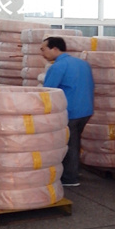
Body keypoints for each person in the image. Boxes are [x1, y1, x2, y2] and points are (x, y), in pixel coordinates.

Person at [41, 36, 94, 187]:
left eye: (43, 49)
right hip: (86, 110)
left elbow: (47, 92)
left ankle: (70, 178)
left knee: (69, 144)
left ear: (54, 49)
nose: (42, 53)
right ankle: (75, 171)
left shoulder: (57, 67)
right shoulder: (83, 64)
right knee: (75, 141)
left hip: (70, 112)